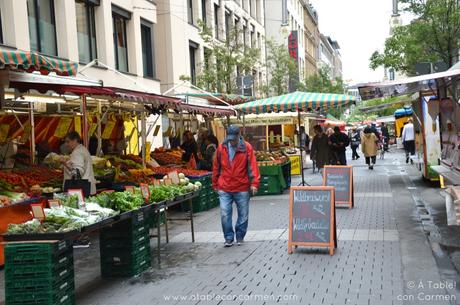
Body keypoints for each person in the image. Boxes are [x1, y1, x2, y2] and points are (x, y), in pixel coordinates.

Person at [212, 125, 260, 247]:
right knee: (224, 213)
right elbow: (216, 166)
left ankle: (240, 236)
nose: (232, 141)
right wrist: (215, 184)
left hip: (242, 186)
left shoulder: (247, 148)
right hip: (225, 186)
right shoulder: (221, 148)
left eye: (234, 138)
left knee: (243, 214)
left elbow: (252, 166)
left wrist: (254, 183)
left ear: (239, 135)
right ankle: (228, 237)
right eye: (230, 138)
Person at [61, 131, 97, 196]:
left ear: (75, 140)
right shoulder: (82, 149)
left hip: (80, 191)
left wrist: (65, 163)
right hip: (88, 188)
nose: (66, 144)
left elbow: (77, 172)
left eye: (68, 141)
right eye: (65, 142)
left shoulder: (77, 153)